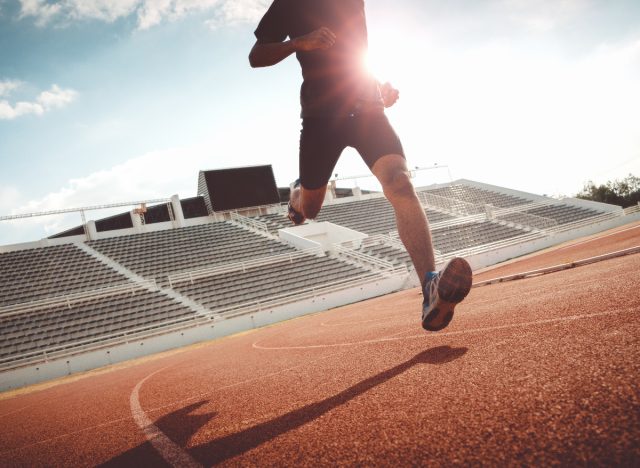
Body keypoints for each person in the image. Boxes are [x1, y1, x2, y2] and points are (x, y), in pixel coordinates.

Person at [249, 0, 472, 331]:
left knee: (399, 183)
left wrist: (377, 85)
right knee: (310, 209)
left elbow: (353, 55)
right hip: (321, 119)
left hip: (367, 109)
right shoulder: (288, 4)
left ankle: (430, 287)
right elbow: (256, 56)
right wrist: (298, 42)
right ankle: (298, 193)